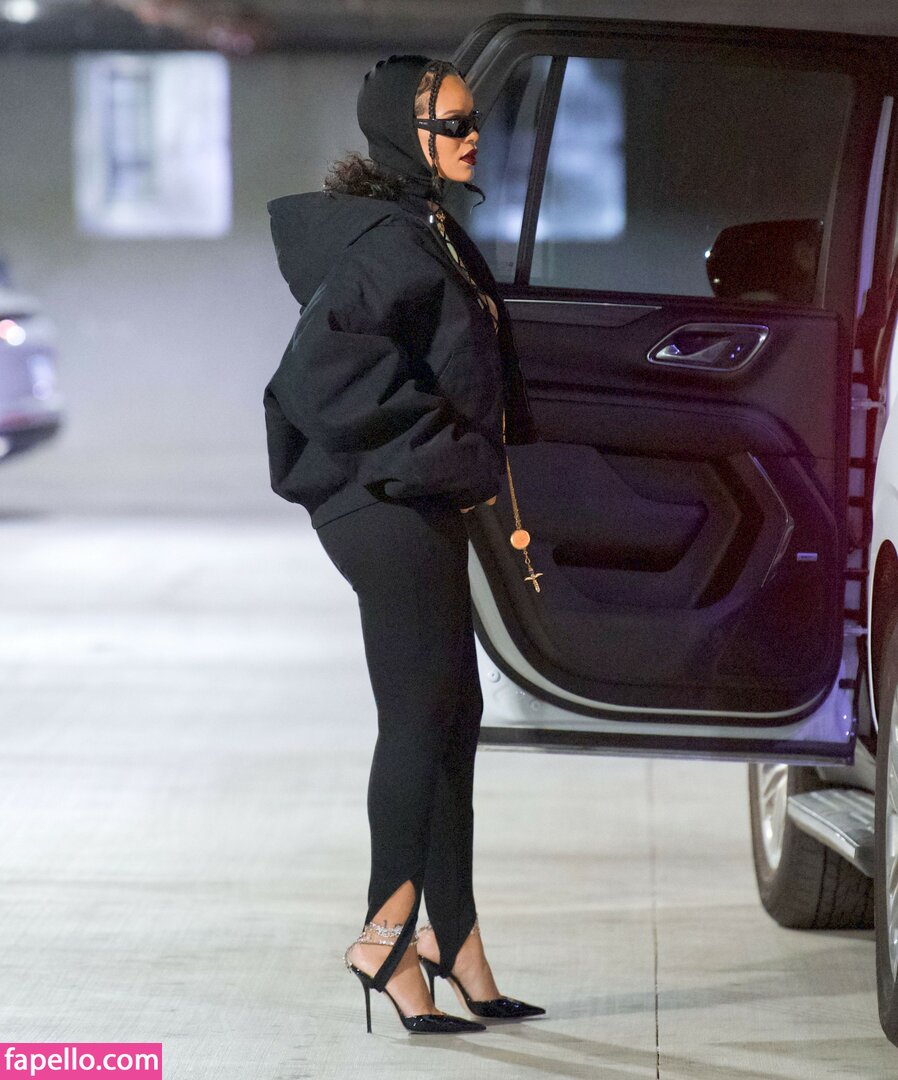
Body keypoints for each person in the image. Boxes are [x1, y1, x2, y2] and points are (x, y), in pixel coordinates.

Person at [262, 53, 545, 1035]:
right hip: (381, 507)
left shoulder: (426, 231)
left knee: (454, 714)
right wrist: (439, 445)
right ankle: (385, 937)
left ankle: (454, 939)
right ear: (402, 135)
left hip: (411, 498)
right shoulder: (389, 244)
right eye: (451, 125)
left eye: (473, 121)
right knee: (419, 720)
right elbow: (312, 380)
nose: (472, 138)